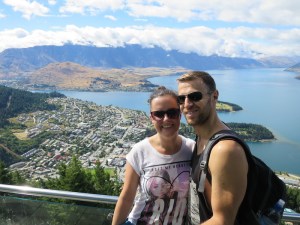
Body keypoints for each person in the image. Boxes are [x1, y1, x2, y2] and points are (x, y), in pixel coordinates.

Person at [112, 86, 195, 225]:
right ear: (152, 117)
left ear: (180, 115)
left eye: (172, 113)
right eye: (159, 114)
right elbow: (127, 197)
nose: (166, 119)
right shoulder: (139, 151)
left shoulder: (192, 149)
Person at [177, 71, 248, 225]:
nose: (187, 104)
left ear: (214, 96)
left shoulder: (225, 149)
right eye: (181, 99)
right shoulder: (202, 138)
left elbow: (223, 220)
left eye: (195, 96)